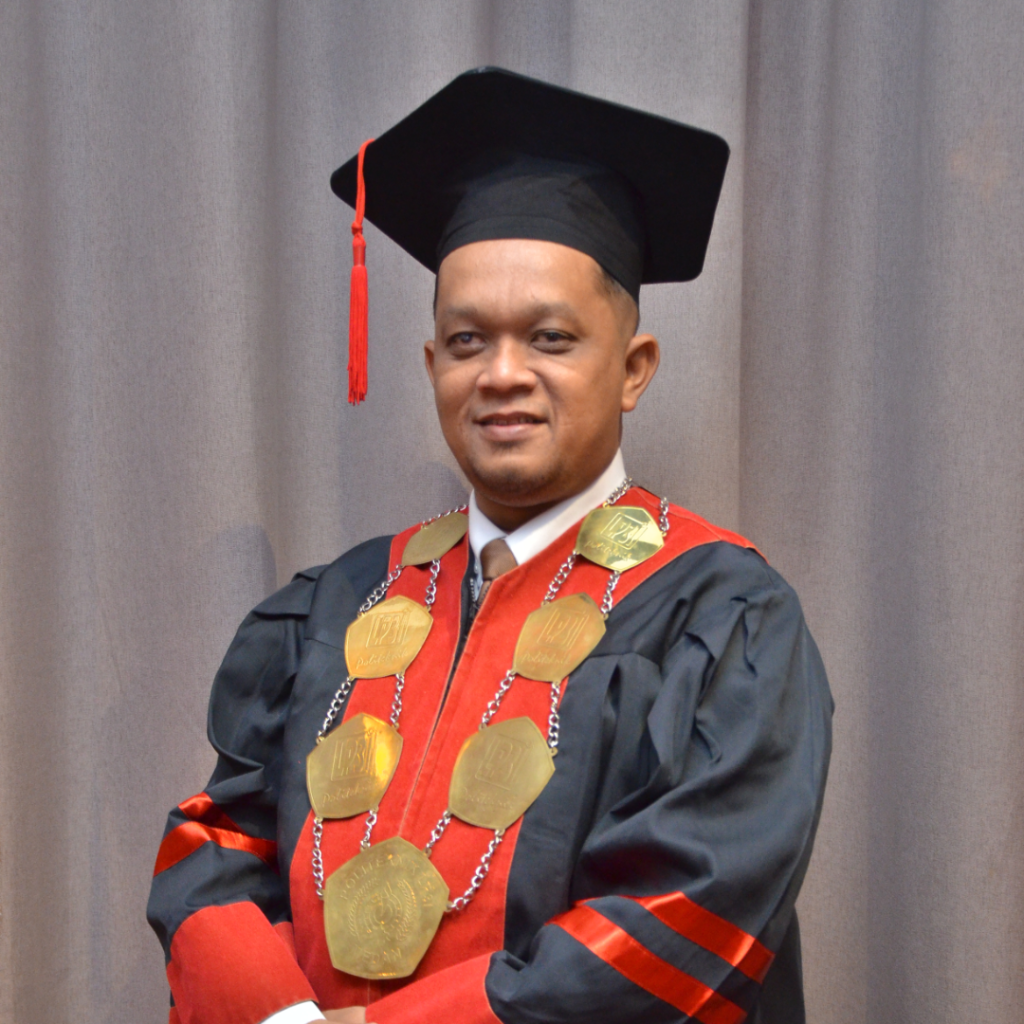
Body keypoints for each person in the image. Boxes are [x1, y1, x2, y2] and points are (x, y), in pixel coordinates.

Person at [147, 67, 832, 1024]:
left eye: (550, 339)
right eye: (467, 341)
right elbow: (216, 848)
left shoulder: (721, 614)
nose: (502, 374)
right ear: (432, 363)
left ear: (633, 370)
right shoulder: (341, 601)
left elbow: (690, 912)